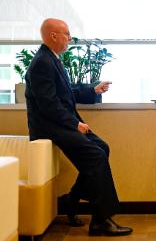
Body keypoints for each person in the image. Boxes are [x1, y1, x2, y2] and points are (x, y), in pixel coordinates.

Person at [25, 18, 132, 236]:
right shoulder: (41, 63)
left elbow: (67, 91)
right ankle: (101, 220)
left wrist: (93, 90)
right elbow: (49, 104)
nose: (70, 38)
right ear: (53, 36)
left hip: (58, 123)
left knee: (102, 148)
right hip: (49, 126)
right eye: (67, 34)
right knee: (95, 155)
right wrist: (75, 123)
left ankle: (71, 201)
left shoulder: (52, 59)